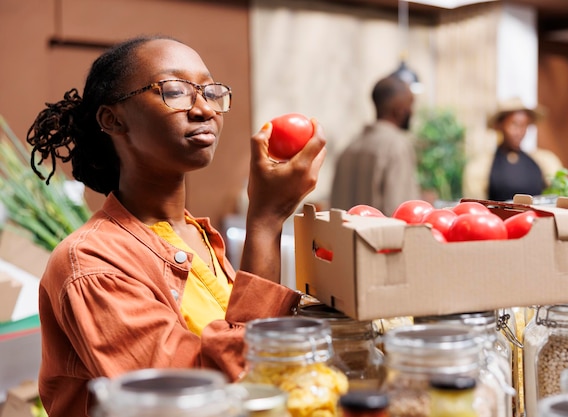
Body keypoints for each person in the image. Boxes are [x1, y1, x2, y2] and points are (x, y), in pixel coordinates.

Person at [26, 35, 326, 417]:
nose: (204, 109)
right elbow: (194, 400)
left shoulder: (194, 235)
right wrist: (265, 221)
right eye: (175, 90)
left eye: (211, 91)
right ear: (111, 119)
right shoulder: (91, 264)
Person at [330, 75, 420, 216]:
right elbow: (401, 214)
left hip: (342, 238)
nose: (412, 111)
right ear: (399, 109)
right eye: (410, 105)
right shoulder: (396, 147)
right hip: (380, 238)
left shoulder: (349, 147)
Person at [463, 97, 563, 201]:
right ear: (499, 125)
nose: (519, 132)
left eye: (523, 126)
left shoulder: (545, 161)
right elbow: (477, 205)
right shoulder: (481, 166)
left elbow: (556, 195)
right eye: (514, 125)